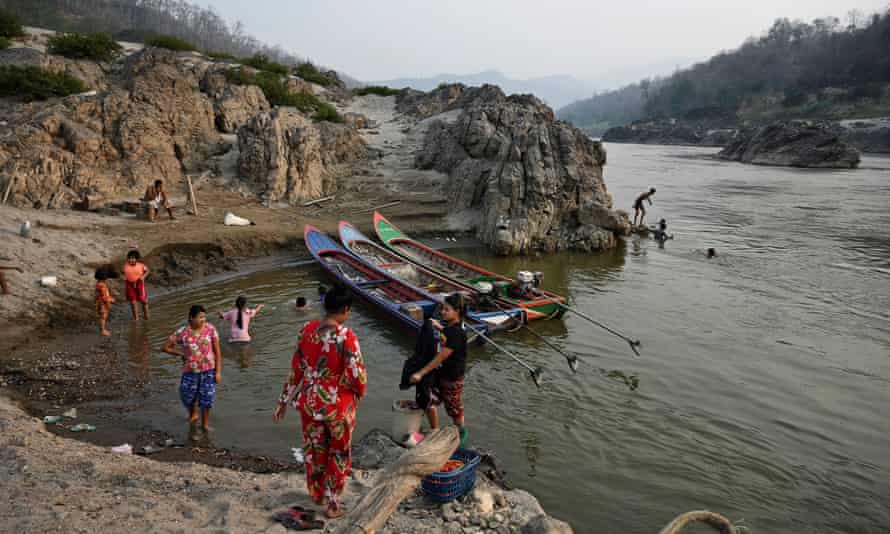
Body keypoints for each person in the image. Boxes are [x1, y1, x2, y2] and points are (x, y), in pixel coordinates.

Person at [274, 285, 367, 519]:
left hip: (309, 402)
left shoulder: (306, 329)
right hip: (337, 407)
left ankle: (317, 495)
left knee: (315, 450)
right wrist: (358, 394)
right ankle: (334, 504)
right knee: (338, 454)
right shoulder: (347, 337)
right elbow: (358, 377)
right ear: (345, 310)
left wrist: (284, 400)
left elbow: (296, 368)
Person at [409, 293, 469, 447]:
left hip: (452, 377)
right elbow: (446, 335)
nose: (442, 312)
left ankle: (460, 436)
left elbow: (441, 357)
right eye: (443, 309)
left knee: (454, 409)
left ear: (457, 311)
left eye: (447, 310)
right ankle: (434, 432)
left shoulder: (457, 332)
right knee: (429, 399)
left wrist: (420, 373)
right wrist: (439, 326)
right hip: (441, 373)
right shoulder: (451, 327)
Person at [162, 305, 222, 434]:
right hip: (190, 372)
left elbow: (217, 352)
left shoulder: (210, 329)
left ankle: (205, 424)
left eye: (204, 317)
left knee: (207, 398)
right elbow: (166, 347)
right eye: (200, 317)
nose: (203, 319)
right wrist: (181, 354)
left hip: (208, 372)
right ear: (191, 318)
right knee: (187, 396)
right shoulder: (182, 332)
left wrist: (218, 372)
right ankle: (193, 414)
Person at [122, 250, 150, 320]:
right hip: (129, 284)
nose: (131, 260)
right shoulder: (125, 266)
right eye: (130, 258)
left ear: (136, 259)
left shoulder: (141, 265)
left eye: (133, 258)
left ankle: (146, 317)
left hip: (139, 283)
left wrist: (143, 277)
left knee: (143, 301)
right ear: (128, 258)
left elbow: (147, 271)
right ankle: (136, 318)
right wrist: (123, 277)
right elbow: (122, 273)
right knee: (133, 302)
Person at [94, 266, 116, 337]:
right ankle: (102, 330)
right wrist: (110, 301)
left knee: (102, 316)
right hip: (102, 303)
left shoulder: (99, 283)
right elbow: (104, 297)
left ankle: (102, 328)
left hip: (99, 302)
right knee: (103, 317)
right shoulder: (102, 285)